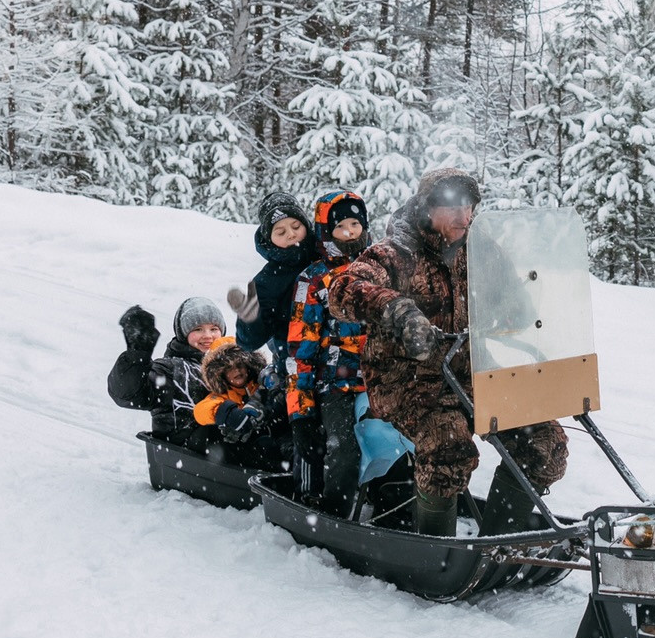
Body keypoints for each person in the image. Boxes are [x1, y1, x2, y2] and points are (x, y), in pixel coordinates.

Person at [328, 167, 568, 536]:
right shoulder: (395, 253)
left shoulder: (480, 250)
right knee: (448, 447)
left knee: (543, 443)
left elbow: (515, 303)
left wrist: (527, 307)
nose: (464, 215)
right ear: (427, 208)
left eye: (470, 205)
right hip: (408, 383)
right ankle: (435, 551)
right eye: (453, 207)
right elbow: (344, 289)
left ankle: (500, 541)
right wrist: (396, 309)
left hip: (471, 376)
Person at [283, 189, 371, 508]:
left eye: (354, 224)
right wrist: (301, 410)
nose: (349, 232)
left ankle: (396, 516)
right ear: (326, 231)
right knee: (345, 449)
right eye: (340, 226)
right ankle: (335, 514)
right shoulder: (313, 280)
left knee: (404, 444)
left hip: (380, 382)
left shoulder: (380, 270)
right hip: (335, 384)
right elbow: (299, 351)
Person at [107, 297, 230, 439]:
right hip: (190, 450)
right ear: (183, 334)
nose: (208, 336)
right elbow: (128, 394)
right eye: (198, 329)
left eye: (214, 329)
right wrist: (137, 354)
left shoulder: (231, 364)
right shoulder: (172, 370)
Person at [230, 196, 318, 357]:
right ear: (269, 239)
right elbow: (250, 342)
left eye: (296, 226)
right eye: (280, 232)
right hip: (295, 364)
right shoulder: (267, 280)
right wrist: (250, 318)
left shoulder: (327, 256)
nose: (291, 234)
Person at [192, 341, 272, 445]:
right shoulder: (222, 396)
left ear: (248, 366)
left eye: (240, 365)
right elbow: (200, 411)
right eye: (229, 368)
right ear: (220, 374)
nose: (237, 371)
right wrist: (227, 413)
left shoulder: (263, 385)